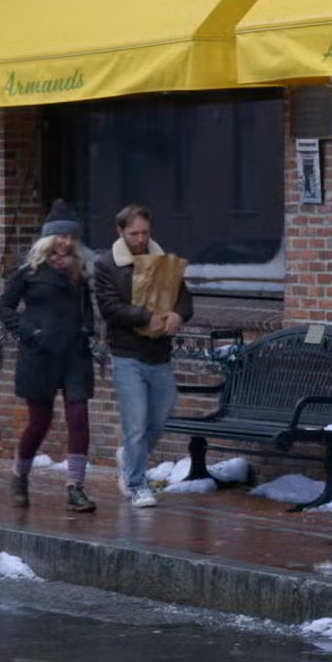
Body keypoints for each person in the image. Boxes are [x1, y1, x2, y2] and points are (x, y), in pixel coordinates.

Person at [0, 200, 98, 513]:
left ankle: (75, 488)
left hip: (74, 354)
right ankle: (20, 474)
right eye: (60, 236)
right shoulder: (28, 269)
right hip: (39, 355)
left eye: (71, 236)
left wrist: (88, 330)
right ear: (48, 238)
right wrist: (29, 332)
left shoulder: (79, 270)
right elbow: (5, 307)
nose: (66, 242)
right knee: (40, 423)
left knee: (79, 419)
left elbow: (86, 307)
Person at [92, 204, 194, 509]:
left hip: (159, 353)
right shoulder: (107, 265)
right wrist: (145, 317)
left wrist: (178, 315)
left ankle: (129, 456)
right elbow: (109, 307)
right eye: (133, 233)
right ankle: (137, 484)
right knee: (136, 422)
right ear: (120, 231)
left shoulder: (164, 261)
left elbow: (185, 299)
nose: (140, 239)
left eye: (145, 233)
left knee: (162, 414)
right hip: (126, 354)